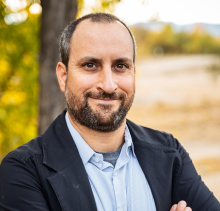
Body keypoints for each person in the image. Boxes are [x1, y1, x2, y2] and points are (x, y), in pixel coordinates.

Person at [0, 13, 219, 211]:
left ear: (134, 73)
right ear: (63, 76)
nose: (108, 85)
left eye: (120, 66)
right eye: (90, 65)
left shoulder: (169, 153)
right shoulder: (23, 171)